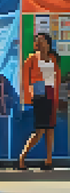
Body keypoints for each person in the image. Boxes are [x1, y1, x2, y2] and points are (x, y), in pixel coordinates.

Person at [18, 33, 61, 170]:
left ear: (48, 44)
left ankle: (49, 160)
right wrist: (29, 96)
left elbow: (57, 79)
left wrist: (57, 97)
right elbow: (26, 79)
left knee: (50, 129)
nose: (39, 44)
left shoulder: (53, 59)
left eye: (42, 41)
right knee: (40, 130)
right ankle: (22, 157)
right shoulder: (31, 58)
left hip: (51, 94)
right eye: (37, 41)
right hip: (39, 94)